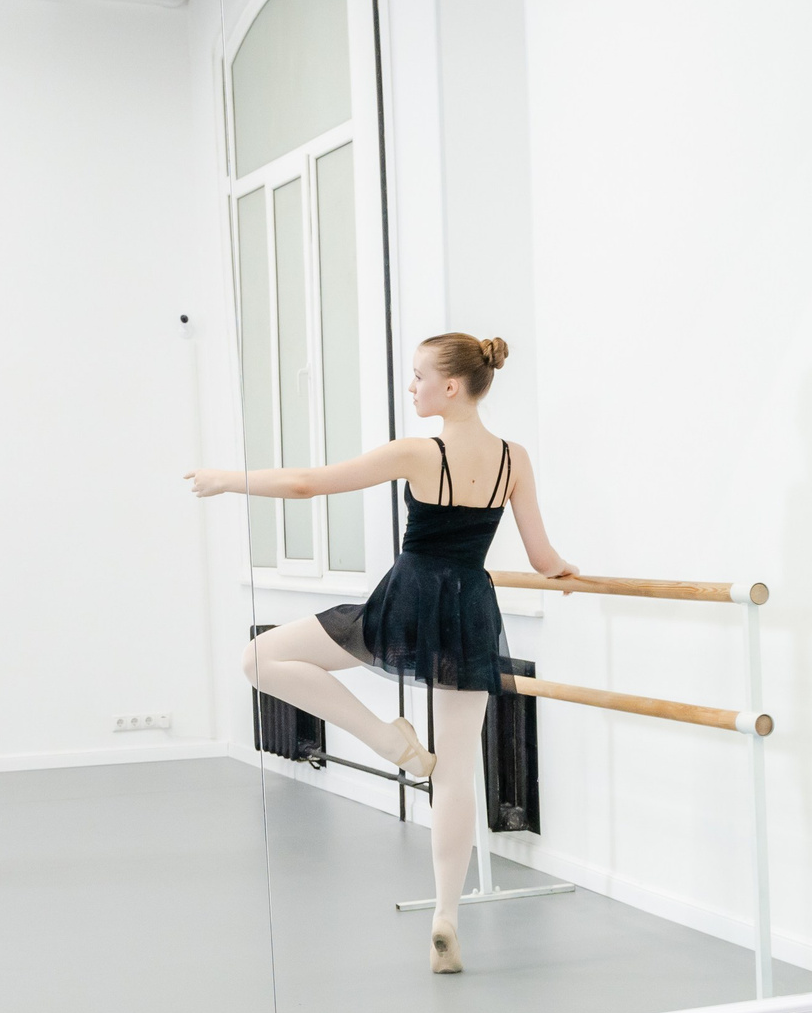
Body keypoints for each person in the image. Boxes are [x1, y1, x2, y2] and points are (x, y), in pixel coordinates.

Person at [188, 333, 578, 974]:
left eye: (419, 376)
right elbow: (542, 557)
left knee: (259, 660)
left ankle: (386, 741)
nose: (412, 387)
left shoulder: (418, 452)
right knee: (456, 769)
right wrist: (565, 570)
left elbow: (309, 484)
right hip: (471, 611)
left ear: (451, 387)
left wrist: (226, 479)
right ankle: (446, 917)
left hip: (407, 602)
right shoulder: (515, 459)